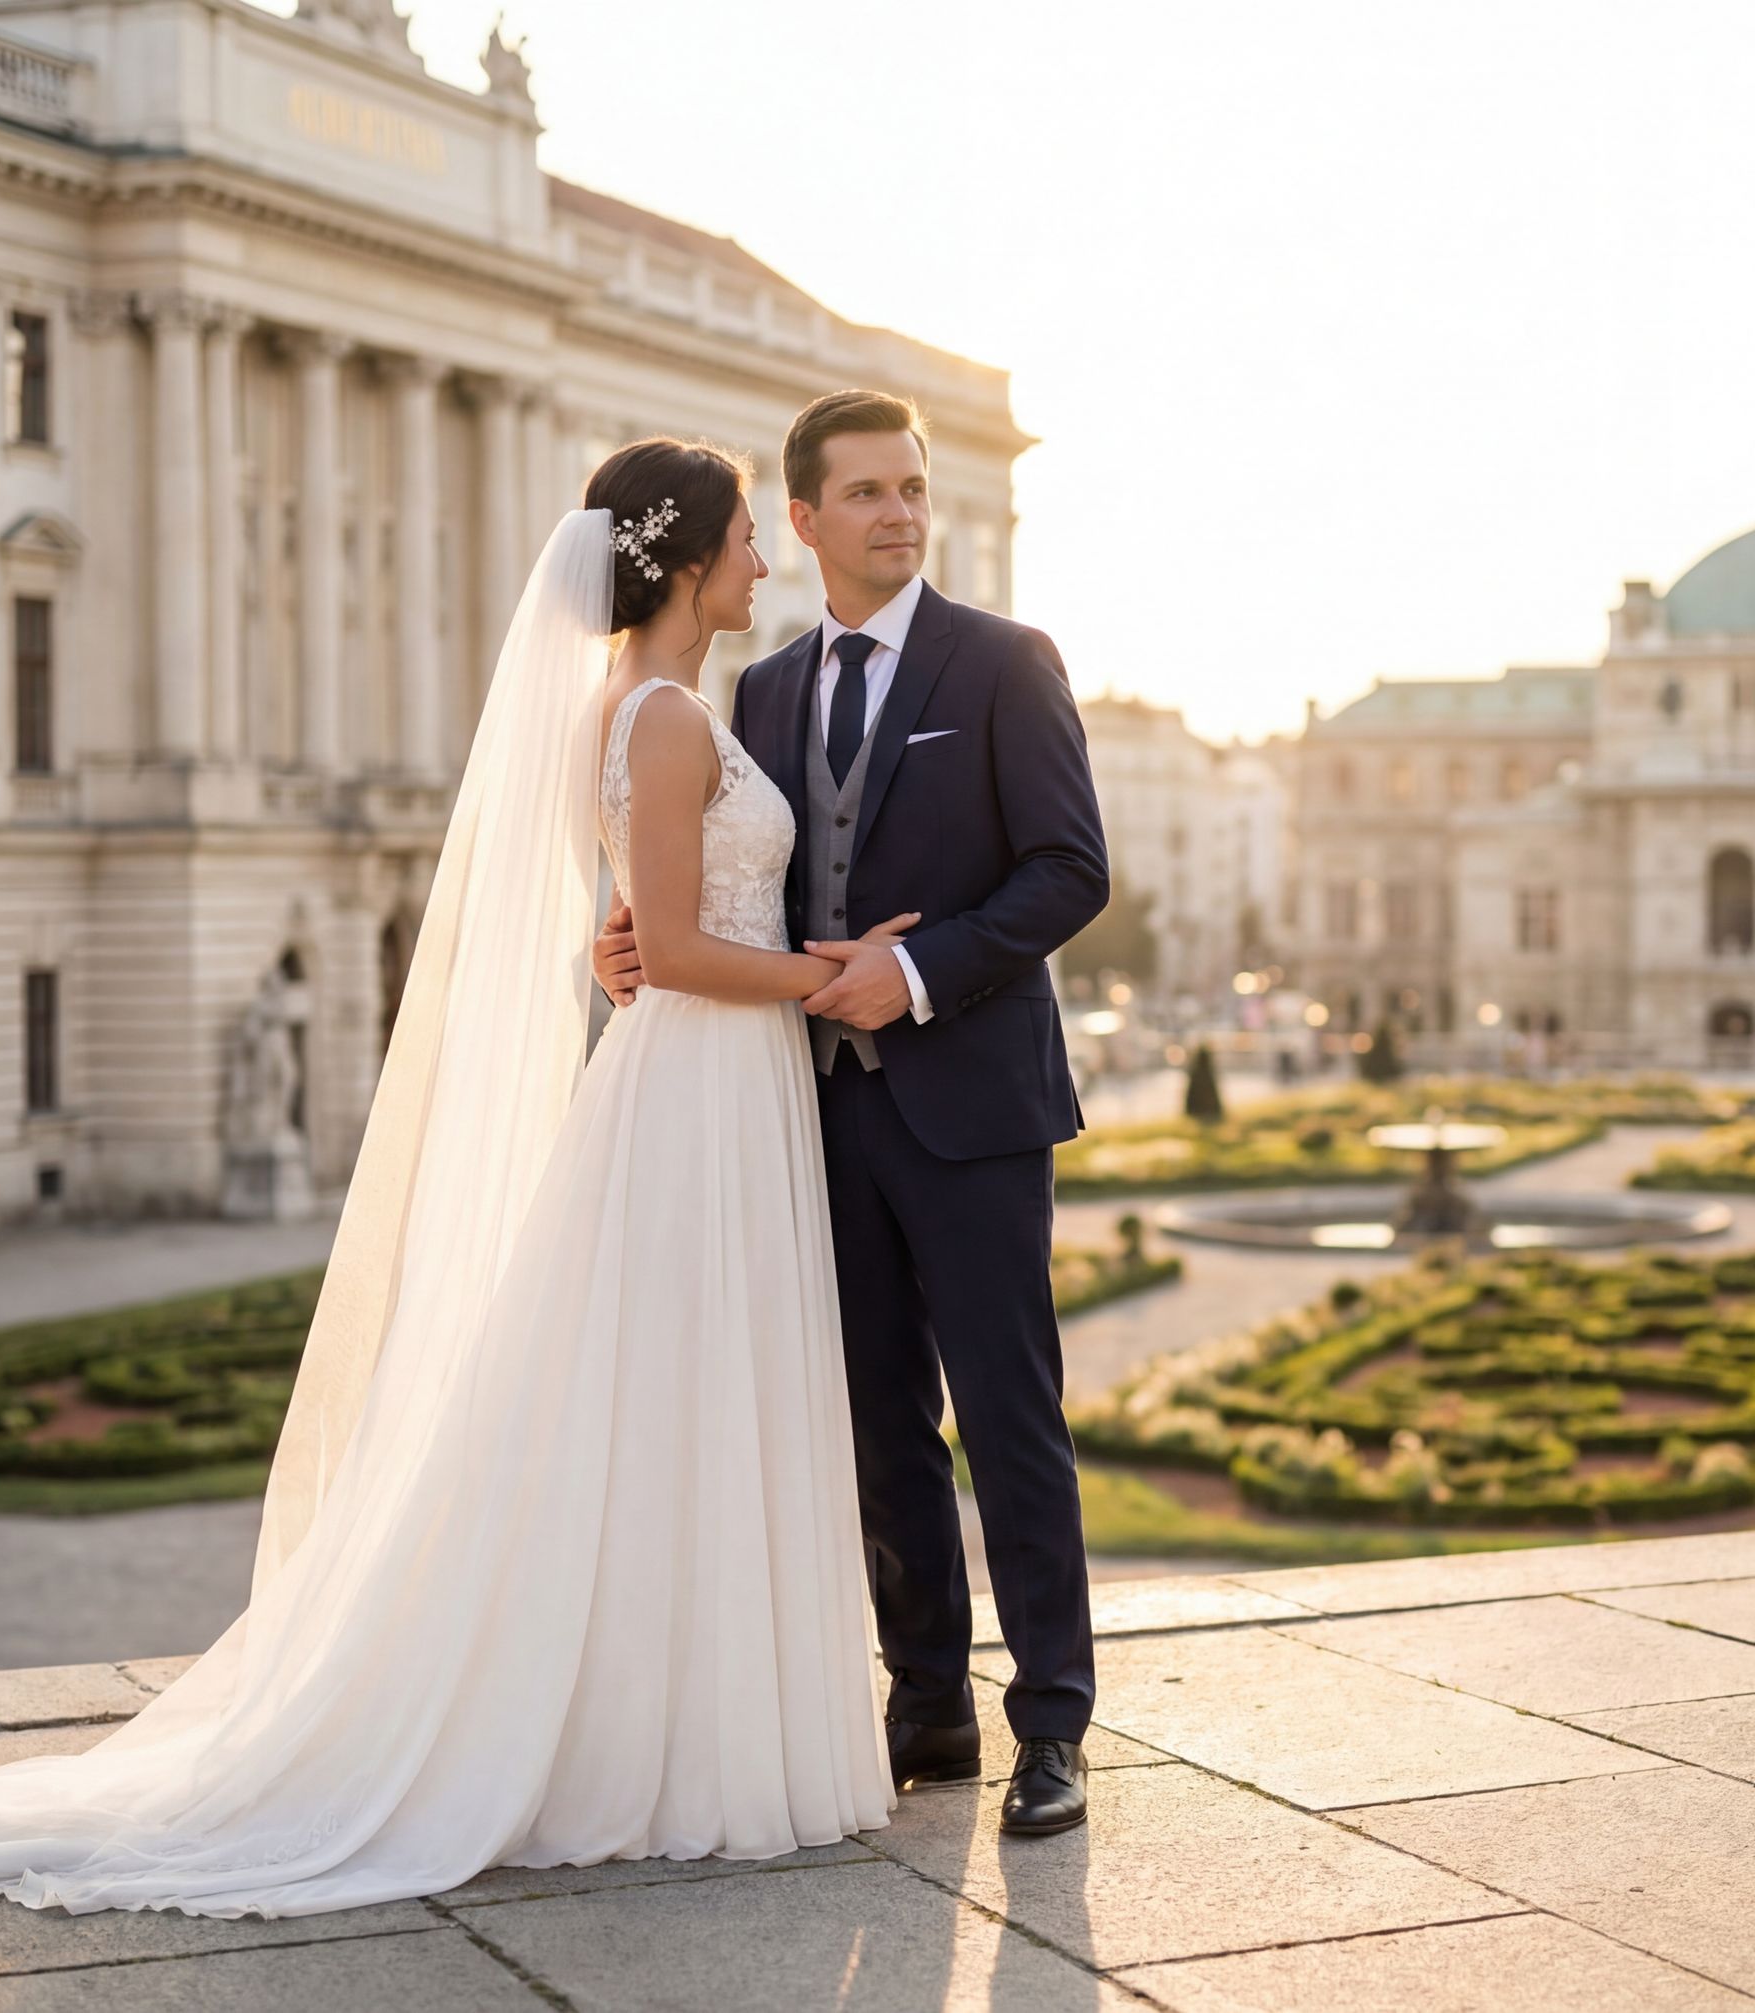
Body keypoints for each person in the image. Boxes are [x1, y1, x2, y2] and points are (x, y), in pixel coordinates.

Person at [0, 438, 909, 1917]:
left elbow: (638, 937)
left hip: (720, 1078)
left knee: (682, 1396)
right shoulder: (661, 719)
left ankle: (681, 1725)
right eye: (742, 539)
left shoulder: (651, 710)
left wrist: (724, 957)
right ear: (684, 557)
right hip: (704, 1081)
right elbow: (676, 945)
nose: (762, 564)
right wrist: (834, 971)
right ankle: (666, 1738)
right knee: (681, 1391)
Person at [596, 389, 1110, 1835]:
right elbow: (706, 876)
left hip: (973, 1103)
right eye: (865, 492)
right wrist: (623, 937)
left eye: (913, 487)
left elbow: (1071, 872)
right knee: (878, 1421)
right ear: (804, 518)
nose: (898, 512)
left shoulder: (1008, 662)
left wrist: (918, 972)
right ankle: (929, 1705)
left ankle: (1052, 1727)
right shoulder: (758, 691)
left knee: (1012, 1416)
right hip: (811, 1111)